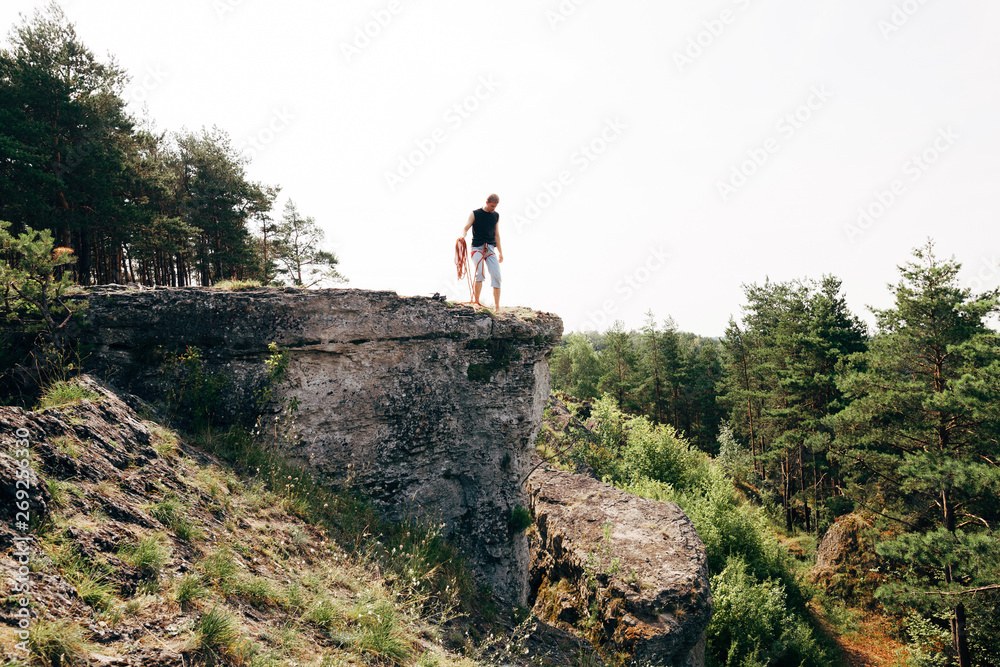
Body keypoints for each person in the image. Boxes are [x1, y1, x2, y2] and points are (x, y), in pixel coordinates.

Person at [459, 194, 503, 311]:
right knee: (480, 272)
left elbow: (497, 236)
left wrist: (500, 253)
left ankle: (497, 307)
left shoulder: (496, 216)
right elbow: (465, 228)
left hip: (490, 249)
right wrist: (462, 237)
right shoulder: (475, 214)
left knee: (497, 276)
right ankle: (476, 302)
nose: (493, 208)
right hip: (477, 248)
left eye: (495, 206)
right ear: (487, 202)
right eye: (492, 206)